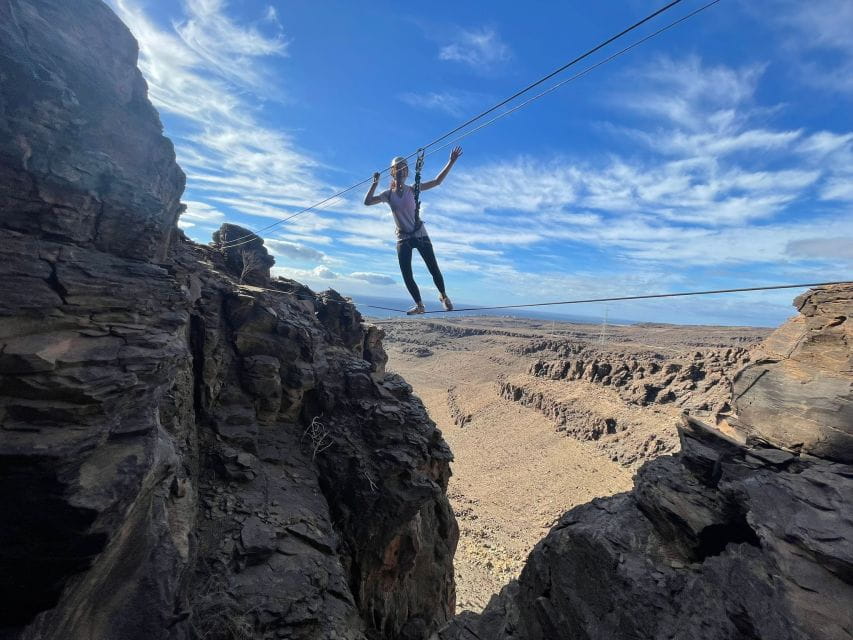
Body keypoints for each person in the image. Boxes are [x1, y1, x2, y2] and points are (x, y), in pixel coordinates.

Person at [363, 146, 462, 314]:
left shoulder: (413, 189)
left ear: (407, 172)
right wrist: (374, 184)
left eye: (403, 169)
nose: (400, 172)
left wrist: (451, 161)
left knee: (433, 268)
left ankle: (443, 296)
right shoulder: (388, 194)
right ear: (392, 173)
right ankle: (419, 305)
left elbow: (437, 181)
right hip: (403, 238)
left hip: (420, 234)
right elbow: (367, 202)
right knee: (406, 274)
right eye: (397, 169)